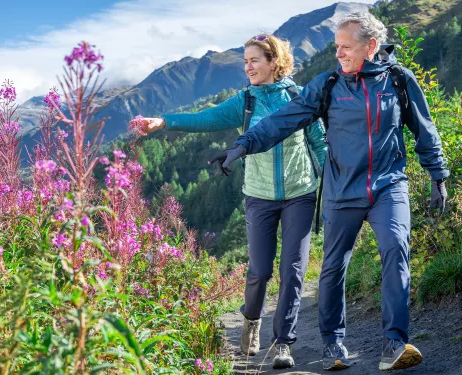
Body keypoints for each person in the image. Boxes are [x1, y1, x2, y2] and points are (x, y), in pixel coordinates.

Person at [210, 12, 448, 372]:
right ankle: (333, 343)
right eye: (336, 46)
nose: (338, 53)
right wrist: (243, 145)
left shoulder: (397, 80)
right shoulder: (329, 83)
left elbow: (424, 128)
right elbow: (286, 118)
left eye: (345, 47)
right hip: (341, 191)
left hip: (388, 184)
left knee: (396, 247)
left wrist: (437, 174)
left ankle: (395, 342)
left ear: (371, 47)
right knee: (333, 267)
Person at [132, 34, 326, 369]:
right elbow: (206, 118)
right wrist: (164, 121)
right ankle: (251, 320)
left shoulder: (299, 97)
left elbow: (319, 143)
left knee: (292, 271)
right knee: (260, 272)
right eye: (245, 61)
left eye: (254, 60)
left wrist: (333, 184)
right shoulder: (246, 102)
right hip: (260, 197)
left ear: (273, 62)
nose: (248, 66)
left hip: (300, 193)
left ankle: (283, 343)